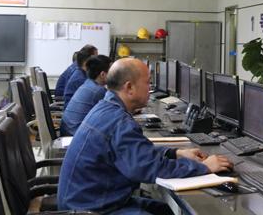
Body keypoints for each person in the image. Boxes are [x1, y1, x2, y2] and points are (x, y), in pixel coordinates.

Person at [57, 58, 233, 214]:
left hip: (94, 201)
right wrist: (204, 167)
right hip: (92, 209)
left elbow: (139, 153)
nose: (150, 88)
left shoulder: (107, 108)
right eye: (148, 82)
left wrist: (176, 153)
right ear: (129, 87)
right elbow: (150, 168)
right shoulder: (118, 121)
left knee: (165, 210)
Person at [60, 55, 112, 136]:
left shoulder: (88, 83)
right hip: (75, 134)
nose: (114, 75)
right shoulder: (98, 91)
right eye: (112, 72)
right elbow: (113, 114)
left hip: (69, 130)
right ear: (102, 74)